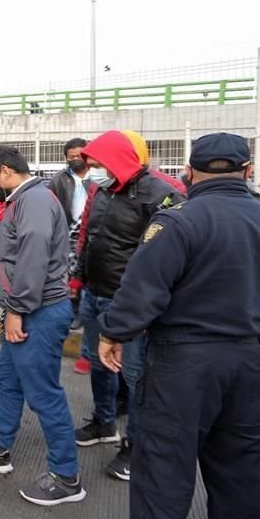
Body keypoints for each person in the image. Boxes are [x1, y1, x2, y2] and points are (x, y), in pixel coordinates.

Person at [91, 133, 260, 519]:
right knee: (240, 465)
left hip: (184, 363)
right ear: (247, 171)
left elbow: (142, 289)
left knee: (164, 464)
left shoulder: (178, 221)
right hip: (250, 359)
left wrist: (113, 333)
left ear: (189, 173)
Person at [0, 146, 85, 507]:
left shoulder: (32, 201)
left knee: (44, 394)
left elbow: (33, 256)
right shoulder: (28, 199)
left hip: (37, 312)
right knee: (9, 380)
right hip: (29, 310)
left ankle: (66, 477)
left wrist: (16, 309)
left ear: (4, 171)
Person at [69, 130, 186, 482]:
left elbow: (165, 256)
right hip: (95, 294)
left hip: (132, 304)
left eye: (103, 161)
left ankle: (137, 445)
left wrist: (146, 305)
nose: (97, 167)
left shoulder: (163, 196)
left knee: (136, 376)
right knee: (99, 362)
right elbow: (86, 236)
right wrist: (78, 280)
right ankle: (104, 422)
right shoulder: (101, 191)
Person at [48, 138, 94, 374]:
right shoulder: (60, 179)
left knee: (85, 279)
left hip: (92, 238)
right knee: (69, 277)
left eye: (79, 154)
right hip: (68, 236)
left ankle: (83, 316)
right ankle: (74, 312)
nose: (75, 158)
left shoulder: (100, 179)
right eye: (70, 155)